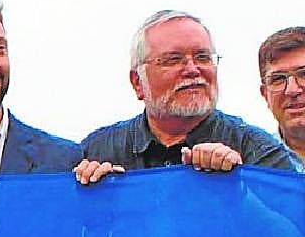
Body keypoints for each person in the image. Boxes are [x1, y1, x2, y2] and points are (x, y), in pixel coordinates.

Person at [76, 10, 298, 183]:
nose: (192, 69)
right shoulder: (98, 151)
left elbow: (291, 226)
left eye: (203, 57)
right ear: (137, 82)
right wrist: (95, 197)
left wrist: (240, 187)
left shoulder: (258, 152)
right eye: (173, 60)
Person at [257, 27, 305, 164]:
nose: (292, 90)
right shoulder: (250, 162)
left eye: (304, 74)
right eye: (278, 79)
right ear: (265, 94)